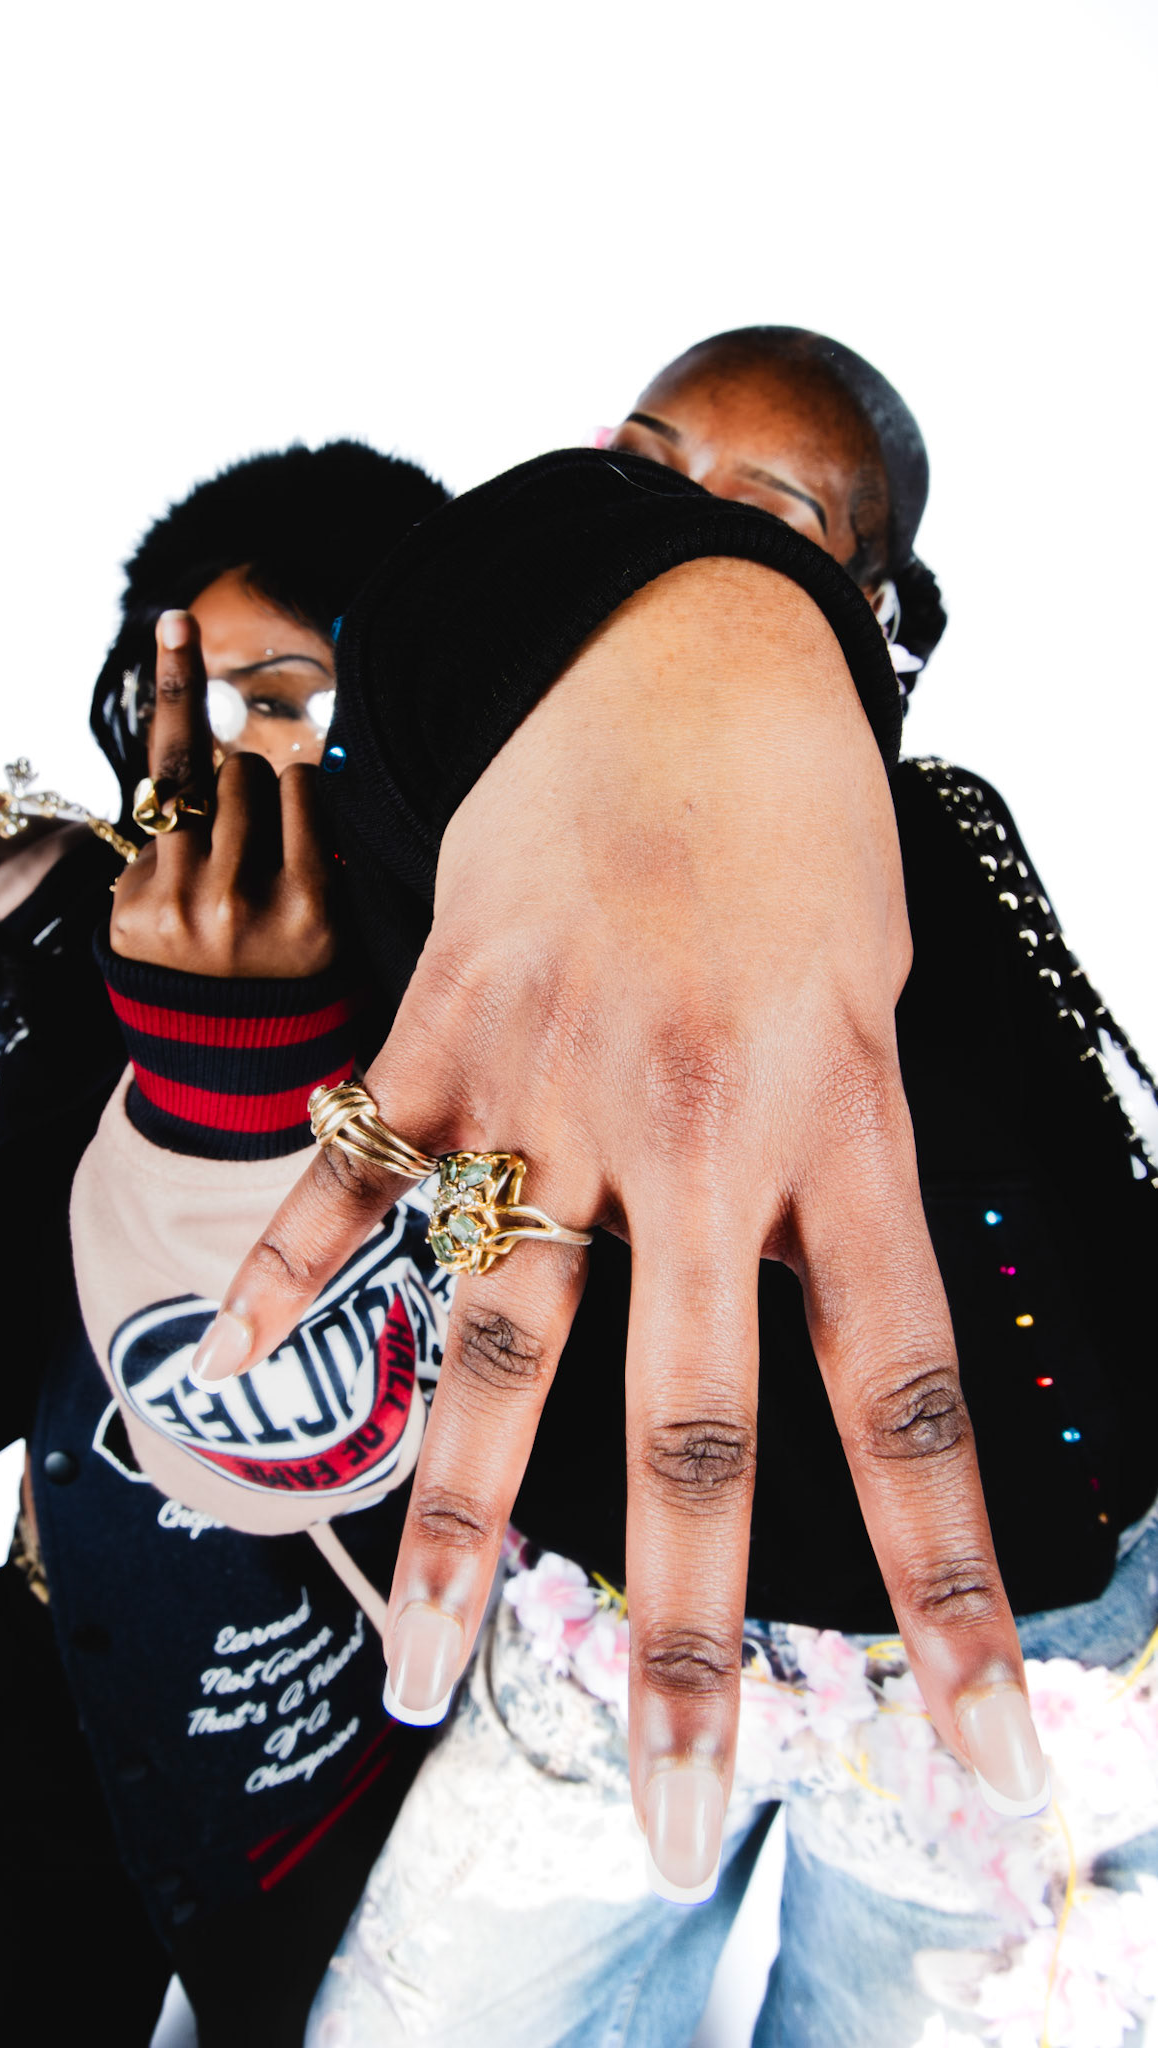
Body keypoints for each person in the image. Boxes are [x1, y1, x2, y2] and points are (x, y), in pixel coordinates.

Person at [144, 333, 1156, 2044]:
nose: (684, 514)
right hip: (593, 1618)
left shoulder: (940, 852)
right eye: (642, 464)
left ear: (877, 608)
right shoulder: (470, 823)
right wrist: (690, 627)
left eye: (775, 512)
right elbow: (417, 669)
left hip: (1011, 1657)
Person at [0, 439, 452, 2047]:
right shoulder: (55, 901)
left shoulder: (466, 1012)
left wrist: (240, 1063)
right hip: (55, 1618)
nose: (214, 750)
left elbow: (289, 1422)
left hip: (308, 1678)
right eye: (175, 695)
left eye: (282, 696)